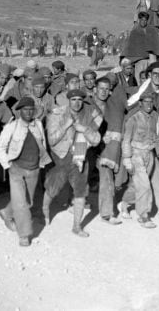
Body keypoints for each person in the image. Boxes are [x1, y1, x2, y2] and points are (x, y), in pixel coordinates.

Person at [43, 89, 102, 237]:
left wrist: (84, 129)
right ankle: (44, 211)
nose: (77, 103)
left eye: (80, 99)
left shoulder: (88, 115)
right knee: (53, 188)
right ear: (68, 100)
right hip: (62, 157)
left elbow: (96, 140)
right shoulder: (58, 114)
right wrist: (66, 125)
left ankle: (77, 226)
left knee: (81, 191)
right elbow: (51, 140)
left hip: (80, 157)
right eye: (73, 99)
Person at [0, 97, 52, 247]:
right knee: (21, 204)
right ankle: (24, 234)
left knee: (28, 201)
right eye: (25, 110)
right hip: (16, 170)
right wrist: (6, 165)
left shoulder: (38, 124)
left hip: (34, 169)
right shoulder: (12, 127)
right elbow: (0, 147)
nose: (28, 112)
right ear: (20, 111)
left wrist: (41, 163)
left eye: (31, 109)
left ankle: (7, 212)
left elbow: (43, 144)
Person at [121, 90, 159, 228]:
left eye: (151, 102)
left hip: (150, 153)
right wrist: (127, 159)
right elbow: (126, 140)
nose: (149, 105)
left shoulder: (155, 117)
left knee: (142, 184)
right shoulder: (133, 119)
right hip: (136, 155)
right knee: (144, 185)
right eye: (146, 102)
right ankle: (143, 216)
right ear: (140, 103)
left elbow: (156, 134)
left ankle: (126, 202)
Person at [92, 77, 128, 225]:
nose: (104, 92)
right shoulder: (88, 105)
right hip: (86, 148)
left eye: (107, 89)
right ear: (95, 89)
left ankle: (107, 213)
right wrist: (98, 138)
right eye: (101, 88)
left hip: (104, 152)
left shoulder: (112, 106)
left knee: (107, 178)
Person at [122, 12, 159, 77]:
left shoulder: (152, 30)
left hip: (151, 58)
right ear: (139, 20)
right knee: (139, 78)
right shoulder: (134, 32)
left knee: (153, 77)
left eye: (145, 20)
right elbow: (130, 46)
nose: (143, 22)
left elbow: (157, 43)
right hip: (139, 60)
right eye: (142, 20)